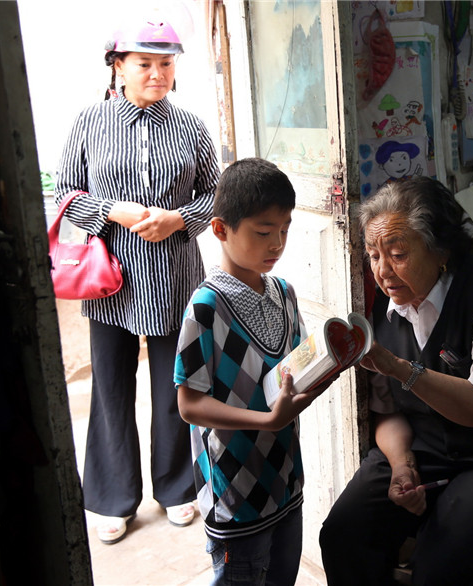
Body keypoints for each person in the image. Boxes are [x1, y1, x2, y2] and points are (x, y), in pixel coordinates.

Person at [319, 177, 473, 585]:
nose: (382, 271)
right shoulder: (388, 305)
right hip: (428, 445)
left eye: (397, 254)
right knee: (344, 534)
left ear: (441, 252)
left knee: (437, 565)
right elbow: (387, 414)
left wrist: (401, 368)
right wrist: (402, 466)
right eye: (373, 254)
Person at [53, 15, 219, 544]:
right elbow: (63, 196)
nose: (156, 73)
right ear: (117, 68)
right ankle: (112, 498)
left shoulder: (191, 127)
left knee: (176, 386)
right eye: (144, 63)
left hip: (175, 277)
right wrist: (112, 212)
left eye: (165, 64)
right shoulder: (87, 123)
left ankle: (176, 488)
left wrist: (180, 220)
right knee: (109, 388)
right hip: (110, 283)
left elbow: (216, 194)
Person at [174, 158, 331, 585]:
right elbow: (189, 405)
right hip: (234, 493)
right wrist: (267, 419)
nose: (277, 243)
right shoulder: (206, 308)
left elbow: (292, 370)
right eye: (264, 232)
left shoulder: (283, 293)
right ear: (221, 229)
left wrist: (329, 364)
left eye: (285, 229)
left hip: (284, 480)